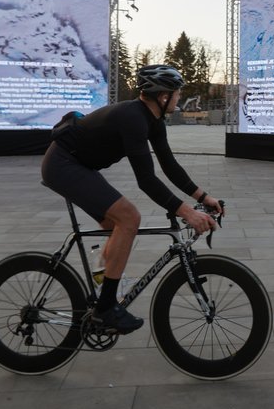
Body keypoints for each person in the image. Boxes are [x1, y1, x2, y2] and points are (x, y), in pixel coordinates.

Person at [41, 64, 222, 334]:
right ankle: (106, 310)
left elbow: (169, 166)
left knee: (116, 226)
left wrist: (203, 197)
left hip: (78, 165)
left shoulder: (153, 121)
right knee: (129, 217)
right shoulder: (133, 118)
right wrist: (188, 213)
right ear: (163, 97)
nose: (179, 98)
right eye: (176, 93)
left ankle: (105, 287)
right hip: (63, 164)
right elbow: (146, 180)